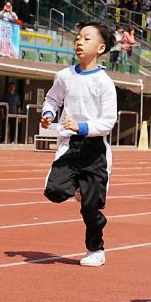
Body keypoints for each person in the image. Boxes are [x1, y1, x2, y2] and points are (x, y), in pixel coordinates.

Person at [40, 21, 118, 267]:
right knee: (54, 191)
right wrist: (49, 113)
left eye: (86, 38)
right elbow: (52, 98)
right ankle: (78, 188)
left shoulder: (104, 82)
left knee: (90, 207)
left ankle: (95, 249)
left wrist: (82, 127)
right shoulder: (64, 76)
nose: (79, 42)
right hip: (70, 147)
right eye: (78, 38)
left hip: (95, 150)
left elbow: (108, 122)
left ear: (101, 48)